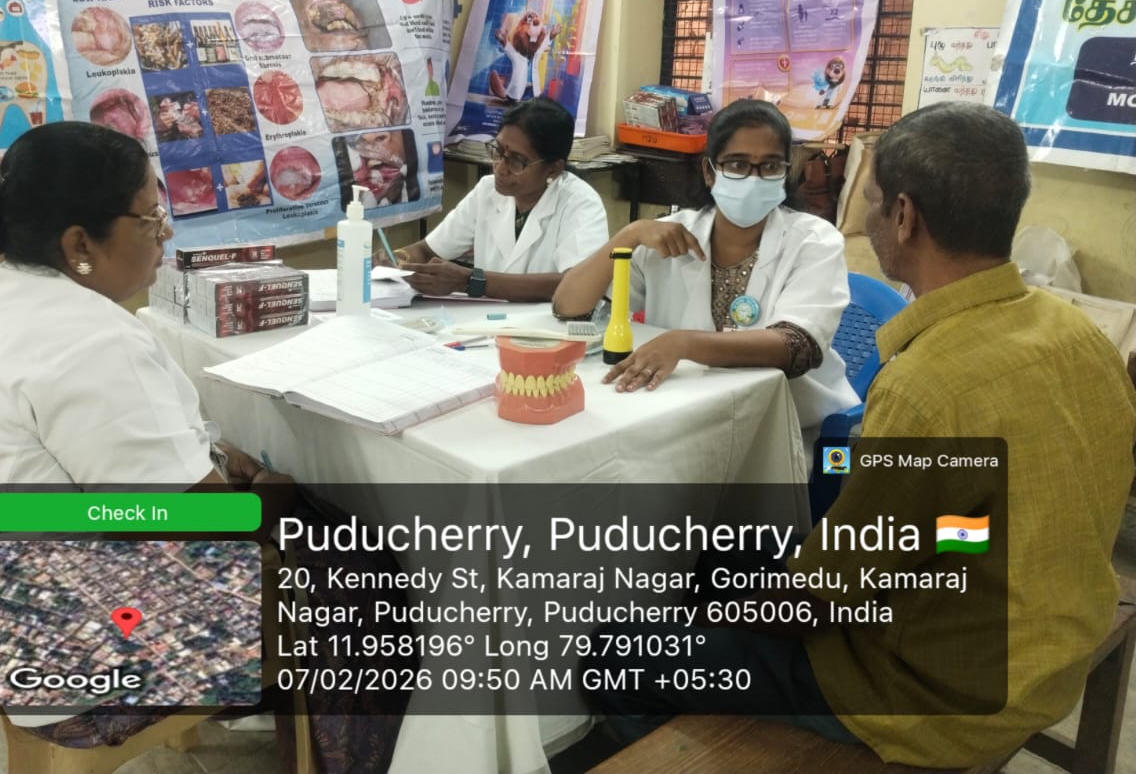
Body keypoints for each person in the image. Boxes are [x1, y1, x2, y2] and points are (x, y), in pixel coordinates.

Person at [583, 101, 1136, 768]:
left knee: (614, 650)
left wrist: (712, 619)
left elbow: (819, 601)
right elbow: (948, 527)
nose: (866, 220)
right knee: (733, 566)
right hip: (1050, 645)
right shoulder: (1080, 335)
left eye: (869, 200)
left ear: (903, 216)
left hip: (928, 690)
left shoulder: (926, 386)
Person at [0, 122, 292, 742]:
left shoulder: (2, 292)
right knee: (343, 562)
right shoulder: (94, 340)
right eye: (150, 218)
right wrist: (273, 492)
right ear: (80, 242)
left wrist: (207, 456)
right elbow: (204, 524)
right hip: (61, 650)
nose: (165, 233)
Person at [553, 98, 856, 433]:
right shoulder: (671, 234)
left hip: (792, 423)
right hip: (683, 410)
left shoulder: (814, 241)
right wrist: (628, 235)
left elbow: (797, 346)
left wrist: (683, 344)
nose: (754, 178)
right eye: (737, 164)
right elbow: (570, 308)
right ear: (709, 172)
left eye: (770, 166)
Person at [380, 97, 608, 302]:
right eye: (498, 151)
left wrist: (471, 281)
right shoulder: (487, 190)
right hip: (490, 322)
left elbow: (578, 283)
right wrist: (395, 259)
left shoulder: (580, 203)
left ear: (553, 168)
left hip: (550, 326)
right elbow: (428, 250)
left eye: (517, 161)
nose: (500, 167)